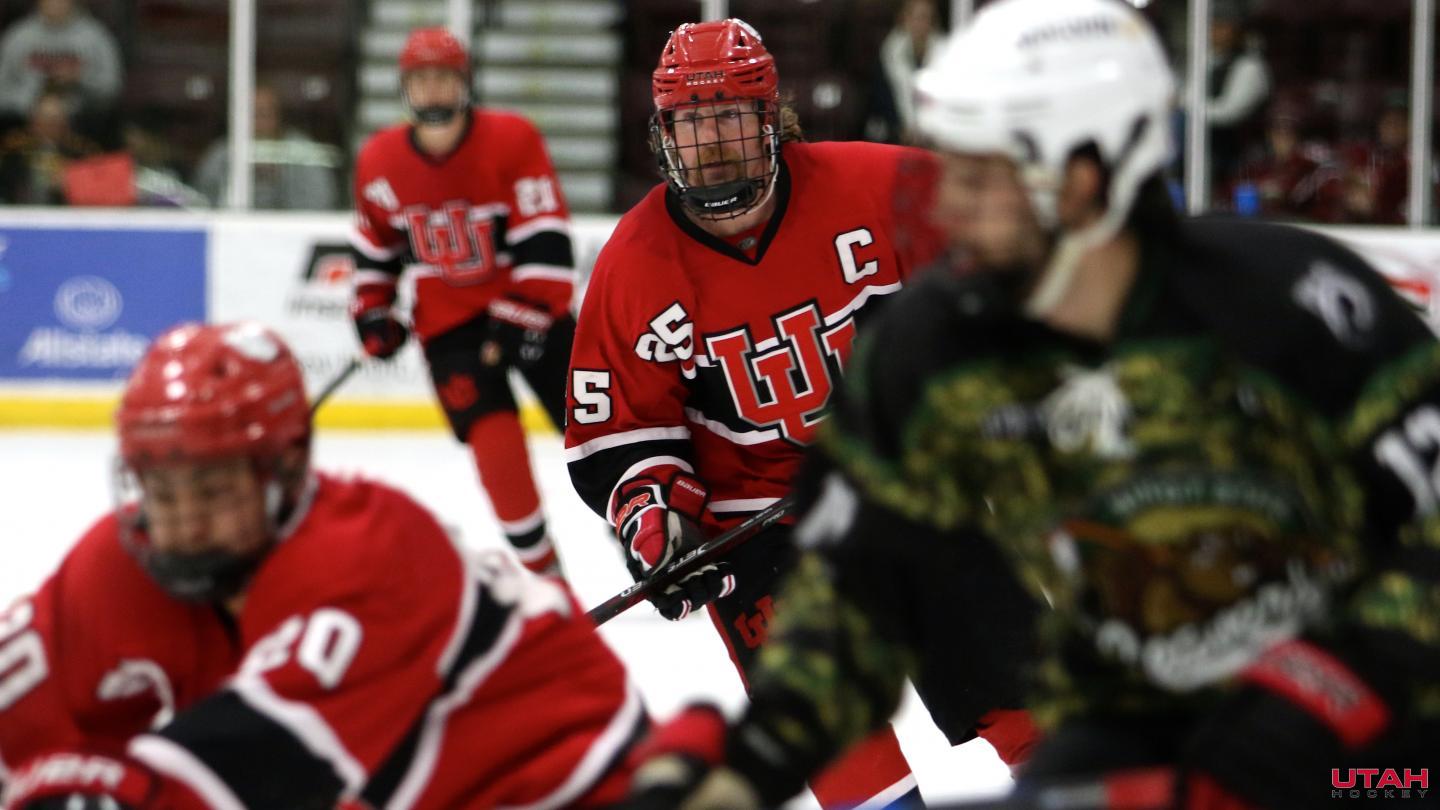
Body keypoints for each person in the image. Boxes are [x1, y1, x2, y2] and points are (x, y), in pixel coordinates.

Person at [628, 1, 1440, 808]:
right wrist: (750, 769)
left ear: (1082, 176)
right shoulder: (929, 345)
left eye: (980, 174)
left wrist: (1311, 704)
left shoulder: (1293, 302)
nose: (942, 204)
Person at [564, 17, 1031, 808]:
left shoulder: (885, 189)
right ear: (663, 135)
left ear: (770, 119)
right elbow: (617, 436)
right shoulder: (634, 268)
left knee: (1036, 707)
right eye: (691, 123)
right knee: (849, 760)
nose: (711, 142)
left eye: (728, 117)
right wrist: (658, 525)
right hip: (758, 533)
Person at [0, 322, 641, 810]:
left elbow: (225, 783)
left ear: (286, 467)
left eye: (213, 490)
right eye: (162, 491)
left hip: (572, 789)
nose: (184, 524)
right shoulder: (123, 567)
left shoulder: (367, 554)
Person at [350, 27, 576, 577]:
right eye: (421, 79)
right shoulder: (378, 160)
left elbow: (547, 240)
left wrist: (520, 316)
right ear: (405, 86)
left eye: (443, 77)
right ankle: (545, 576)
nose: (432, 89)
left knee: (592, 429)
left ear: (465, 82)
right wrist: (374, 312)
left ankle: (639, 531)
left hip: (530, 312)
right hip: (450, 329)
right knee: (496, 450)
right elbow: (375, 249)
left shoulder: (512, 140)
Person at [194, 83, 341, 210]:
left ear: (278, 116)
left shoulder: (303, 153)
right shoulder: (222, 153)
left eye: (263, 114)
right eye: (249, 114)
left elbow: (320, 204)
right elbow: (203, 203)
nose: (256, 122)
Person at [0, 0, 120, 141]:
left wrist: (80, 79)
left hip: (82, 123)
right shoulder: (18, 36)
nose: (55, 4)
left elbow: (112, 88)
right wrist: (33, 105)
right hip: (23, 122)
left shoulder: (95, 36)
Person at [865, 0, 945, 145]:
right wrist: (900, 128)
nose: (921, 23)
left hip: (934, 132)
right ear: (905, 19)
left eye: (926, 18)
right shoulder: (890, 51)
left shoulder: (944, 52)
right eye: (916, 17)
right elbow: (881, 98)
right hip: (897, 131)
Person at [0, 88, 96, 204]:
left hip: (67, 211)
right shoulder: (13, 150)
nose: (49, 125)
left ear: (65, 123)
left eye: (54, 119)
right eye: (44, 119)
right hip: (18, 210)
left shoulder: (81, 152)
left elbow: (96, 185)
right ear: (32, 122)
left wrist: (71, 180)